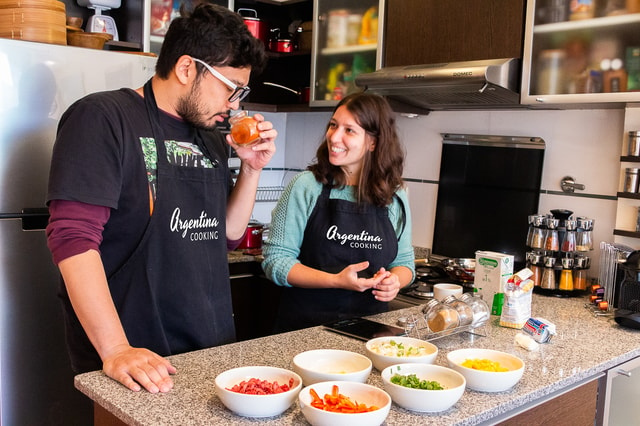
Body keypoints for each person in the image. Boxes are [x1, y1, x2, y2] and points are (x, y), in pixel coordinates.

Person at [45, 3, 276, 394]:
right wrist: (117, 349)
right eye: (229, 88)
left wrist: (252, 169)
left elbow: (225, 236)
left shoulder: (210, 138)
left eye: (242, 92)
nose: (235, 104)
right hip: (134, 361)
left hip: (209, 350)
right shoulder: (103, 118)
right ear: (187, 68)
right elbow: (72, 238)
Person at [261, 92, 415, 332]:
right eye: (333, 125)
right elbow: (276, 262)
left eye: (349, 130)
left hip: (370, 331)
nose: (334, 137)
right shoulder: (306, 186)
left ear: (373, 142)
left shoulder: (395, 194)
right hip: (304, 330)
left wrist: (395, 282)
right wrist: (335, 281)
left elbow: (404, 263)